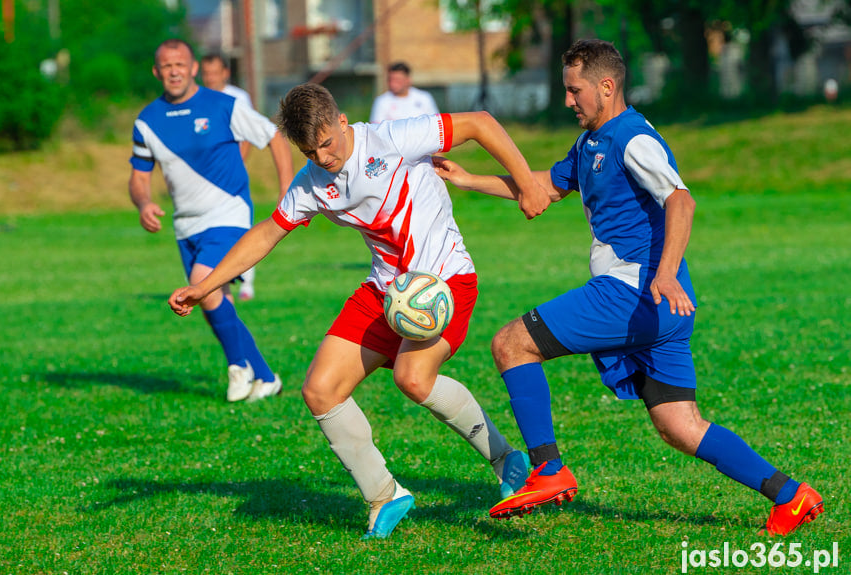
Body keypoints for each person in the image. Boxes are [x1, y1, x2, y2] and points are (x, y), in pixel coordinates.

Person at [433, 39, 824, 536]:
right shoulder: (591, 142)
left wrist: (662, 272)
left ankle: (548, 470)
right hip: (664, 305)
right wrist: (467, 180)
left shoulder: (632, 139)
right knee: (680, 426)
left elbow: (681, 201)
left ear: (606, 86)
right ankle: (790, 495)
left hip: (636, 291)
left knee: (512, 343)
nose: (568, 101)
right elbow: (543, 188)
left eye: (575, 92)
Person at [169, 82, 550, 539]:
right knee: (320, 390)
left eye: (328, 143)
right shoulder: (312, 182)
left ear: (343, 121)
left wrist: (527, 184)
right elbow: (268, 232)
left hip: (442, 282)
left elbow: (479, 124)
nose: (324, 157)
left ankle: (506, 460)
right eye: (311, 151)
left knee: (412, 378)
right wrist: (205, 286)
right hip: (385, 292)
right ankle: (385, 494)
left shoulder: (392, 139)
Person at [129, 39, 294, 403]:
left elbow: (274, 137)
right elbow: (140, 176)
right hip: (185, 225)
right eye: (165, 65)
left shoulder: (224, 106)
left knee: (200, 285)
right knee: (213, 300)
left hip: (228, 213)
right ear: (157, 72)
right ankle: (266, 377)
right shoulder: (147, 122)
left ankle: (238, 367)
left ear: (192, 69)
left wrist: (286, 191)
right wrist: (143, 203)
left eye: (180, 64)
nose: (173, 71)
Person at [200, 52, 258, 300]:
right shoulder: (198, 98)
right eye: (206, 73)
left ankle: (246, 282)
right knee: (207, 225)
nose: (210, 78)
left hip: (231, 177)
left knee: (241, 228)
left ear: (225, 73)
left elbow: (247, 135)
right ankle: (208, 279)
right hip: (205, 178)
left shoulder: (238, 97)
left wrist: (237, 165)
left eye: (215, 73)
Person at [370, 61, 439, 123]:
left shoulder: (424, 98)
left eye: (397, 80)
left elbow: (435, 123)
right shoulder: (382, 101)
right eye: (390, 80)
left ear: (408, 80)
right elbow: (376, 128)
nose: (392, 84)